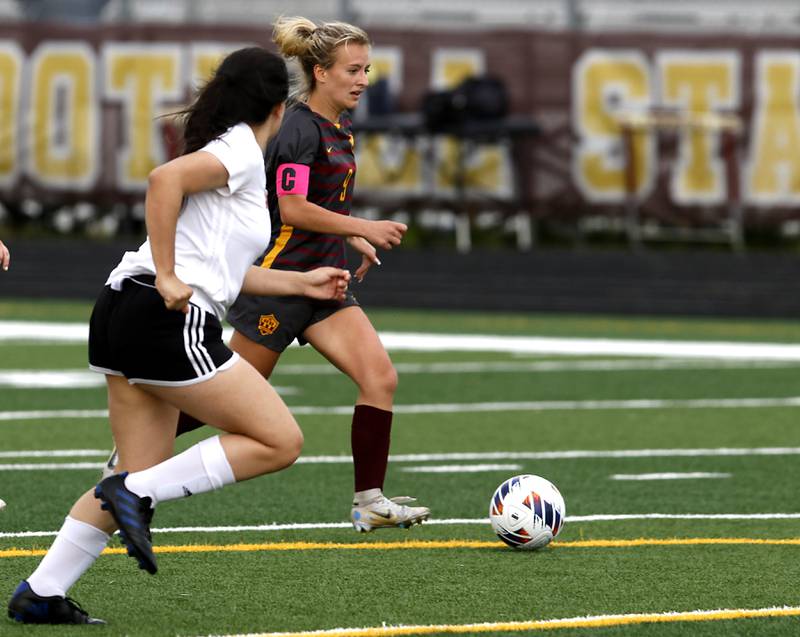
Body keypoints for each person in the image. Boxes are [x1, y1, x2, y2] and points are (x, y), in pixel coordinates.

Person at [7, 46, 350, 625]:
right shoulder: (241, 147)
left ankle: (40, 593)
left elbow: (217, 269)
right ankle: (135, 494)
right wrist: (167, 274)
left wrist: (302, 284)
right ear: (279, 105)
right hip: (160, 314)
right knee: (279, 441)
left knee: (135, 471)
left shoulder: (233, 151)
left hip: (124, 308)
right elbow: (163, 181)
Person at [104, 17, 430, 533]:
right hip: (278, 280)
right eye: (352, 69)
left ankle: (368, 499)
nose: (363, 79)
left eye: (367, 68)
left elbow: (314, 206)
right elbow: (293, 209)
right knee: (228, 396)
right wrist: (363, 223)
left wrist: (351, 238)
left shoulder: (338, 127)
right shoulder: (299, 126)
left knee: (380, 377)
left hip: (322, 281)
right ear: (319, 73)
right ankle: (128, 461)